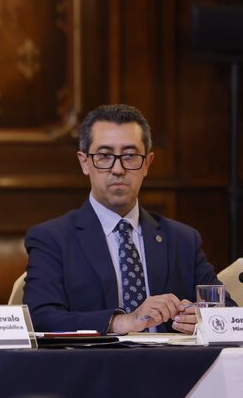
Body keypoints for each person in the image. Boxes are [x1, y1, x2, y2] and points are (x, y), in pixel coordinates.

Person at [24, 104, 233, 334]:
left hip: (172, 367)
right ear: (84, 162)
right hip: (94, 367)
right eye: (104, 156)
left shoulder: (183, 240)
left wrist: (205, 320)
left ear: (147, 164)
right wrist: (120, 322)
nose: (118, 169)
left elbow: (228, 314)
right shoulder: (52, 238)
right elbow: (39, 317)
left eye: (130, 156)